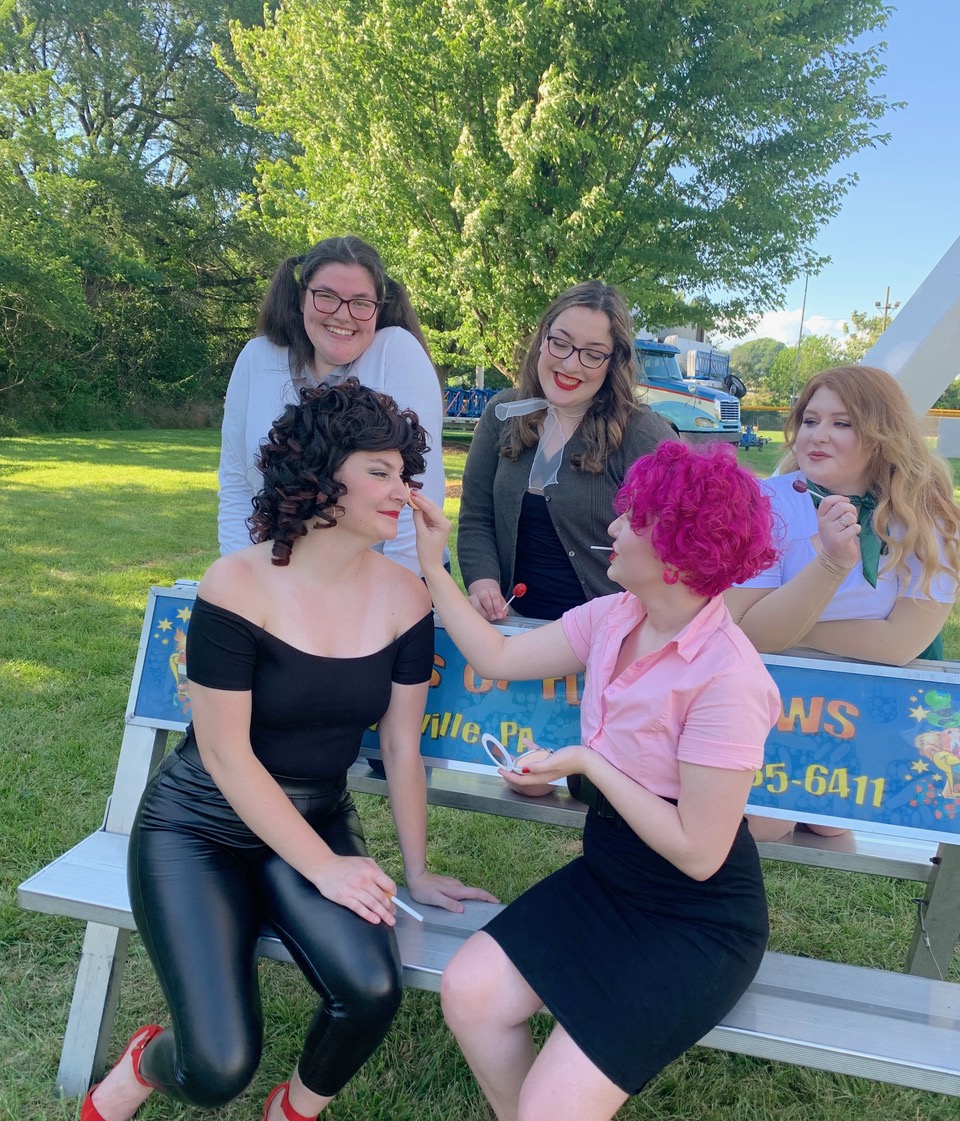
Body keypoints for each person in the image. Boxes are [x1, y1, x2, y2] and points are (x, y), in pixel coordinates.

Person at [78, 380, 495, 1121]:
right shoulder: (238, 585)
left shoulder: (408, 599)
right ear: (321, 475)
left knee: (371, 988)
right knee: (217, 1064)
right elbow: (226, 755)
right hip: (197, 827)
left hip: (311, 820)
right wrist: (327, 866)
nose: (405, 490)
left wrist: (414, 871)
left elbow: (404, 747)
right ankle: (142, 1067)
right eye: (381, 471)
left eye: (406, 472)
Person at [411, 440, 793, 1121]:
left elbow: (699, 853)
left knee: (562, 1111)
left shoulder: (728, 679)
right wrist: (433, 563)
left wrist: (586, 765)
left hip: (694, 919)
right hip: (612, 876)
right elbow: (501, 655)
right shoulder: (616, 615)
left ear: (680, 547)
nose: (613, 525)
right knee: (472, 993)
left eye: (635, 516)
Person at [726, 364, 960, 840]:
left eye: (842, 423)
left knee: (836, 822)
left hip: (866, 704)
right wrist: (825, 569)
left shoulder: (926, 516)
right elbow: (746, 631)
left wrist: (790, 625)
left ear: (882, 433)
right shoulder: (768, 502)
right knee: (766, 821)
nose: (818, 435)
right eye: (810, 420)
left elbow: (901, 643)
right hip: (771, 694)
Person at [218, 235, 447, 577]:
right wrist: (245, 579)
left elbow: (417, 493)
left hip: (387, 579)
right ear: (301, 297)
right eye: (326, 297)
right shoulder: (257, 357)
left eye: (360, 302)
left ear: (378, 308)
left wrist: (393, 595)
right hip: (282, 576)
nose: (343, 315)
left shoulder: (396, 352)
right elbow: (237, 484)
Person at [457, 280, 676, 621]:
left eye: (591, 354)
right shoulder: (501, 414)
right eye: (560, 343)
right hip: (513, 632)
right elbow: (476, 517)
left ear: (612, 361)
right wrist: (482, 581)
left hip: (606, 637)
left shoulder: (641, 432)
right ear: (543, 339)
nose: (570, 365)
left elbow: (690, 530)